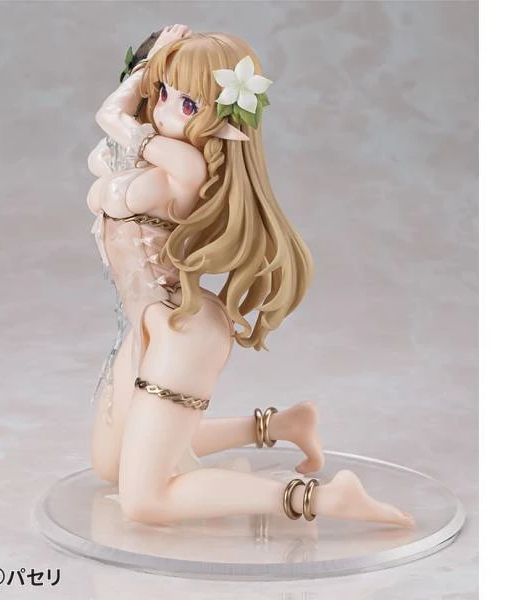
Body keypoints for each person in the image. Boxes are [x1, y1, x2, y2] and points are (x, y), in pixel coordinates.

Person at [86, 24, 414, 528]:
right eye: (163, 93)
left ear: (220, 119)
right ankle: (281, 424)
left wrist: (142, 75)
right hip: (146, 322)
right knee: (110, 465)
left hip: (182, 329)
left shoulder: (185, 164)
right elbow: (109, 145)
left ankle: (325, 499)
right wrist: (151, 73)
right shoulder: (147, 149)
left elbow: (111, 118)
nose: (166, 109)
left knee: (145, 501)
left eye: (188, 103)